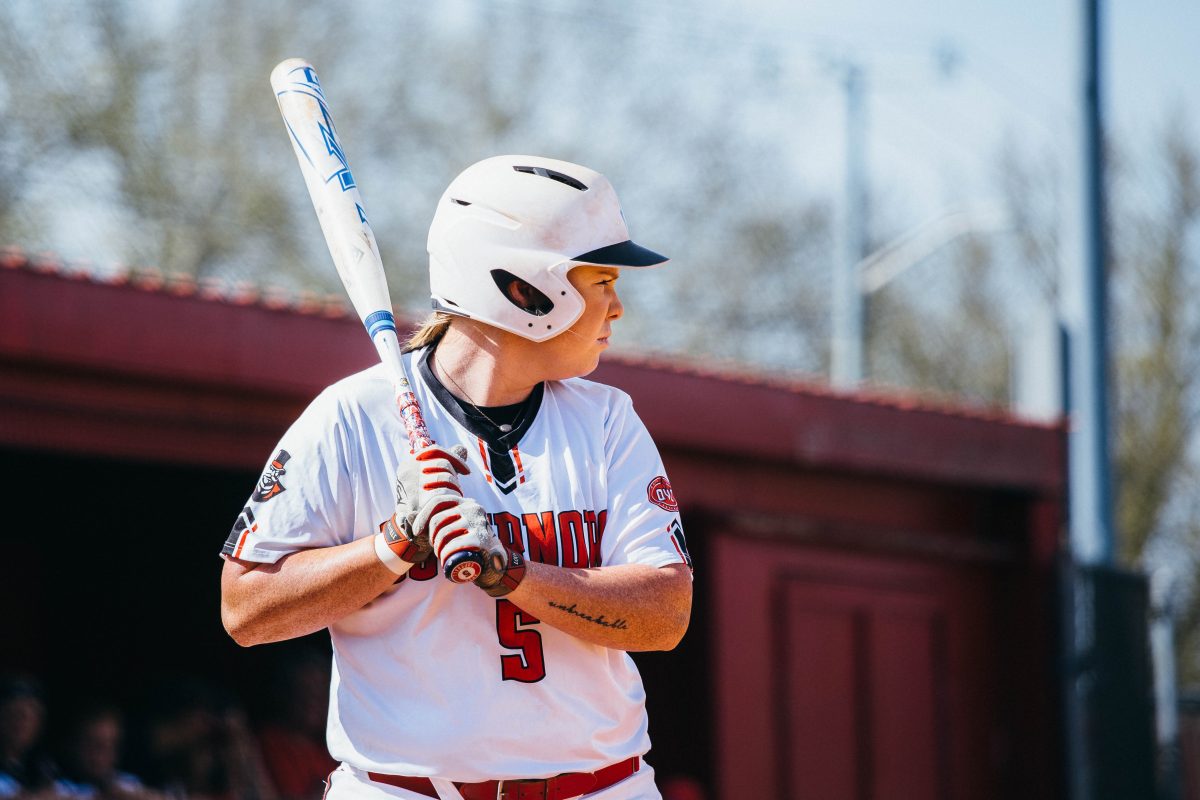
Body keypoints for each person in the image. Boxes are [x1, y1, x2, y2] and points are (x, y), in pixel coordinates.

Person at [219, 155, 693, 800]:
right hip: (404, 789)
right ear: (523, 288)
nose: (617, 308)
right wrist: (394, 546)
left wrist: (512, 574)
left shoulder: (606, 420)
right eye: (601, 281)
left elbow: (665, 615)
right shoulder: (352, 416)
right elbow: (247, 610)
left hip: (598, 787)